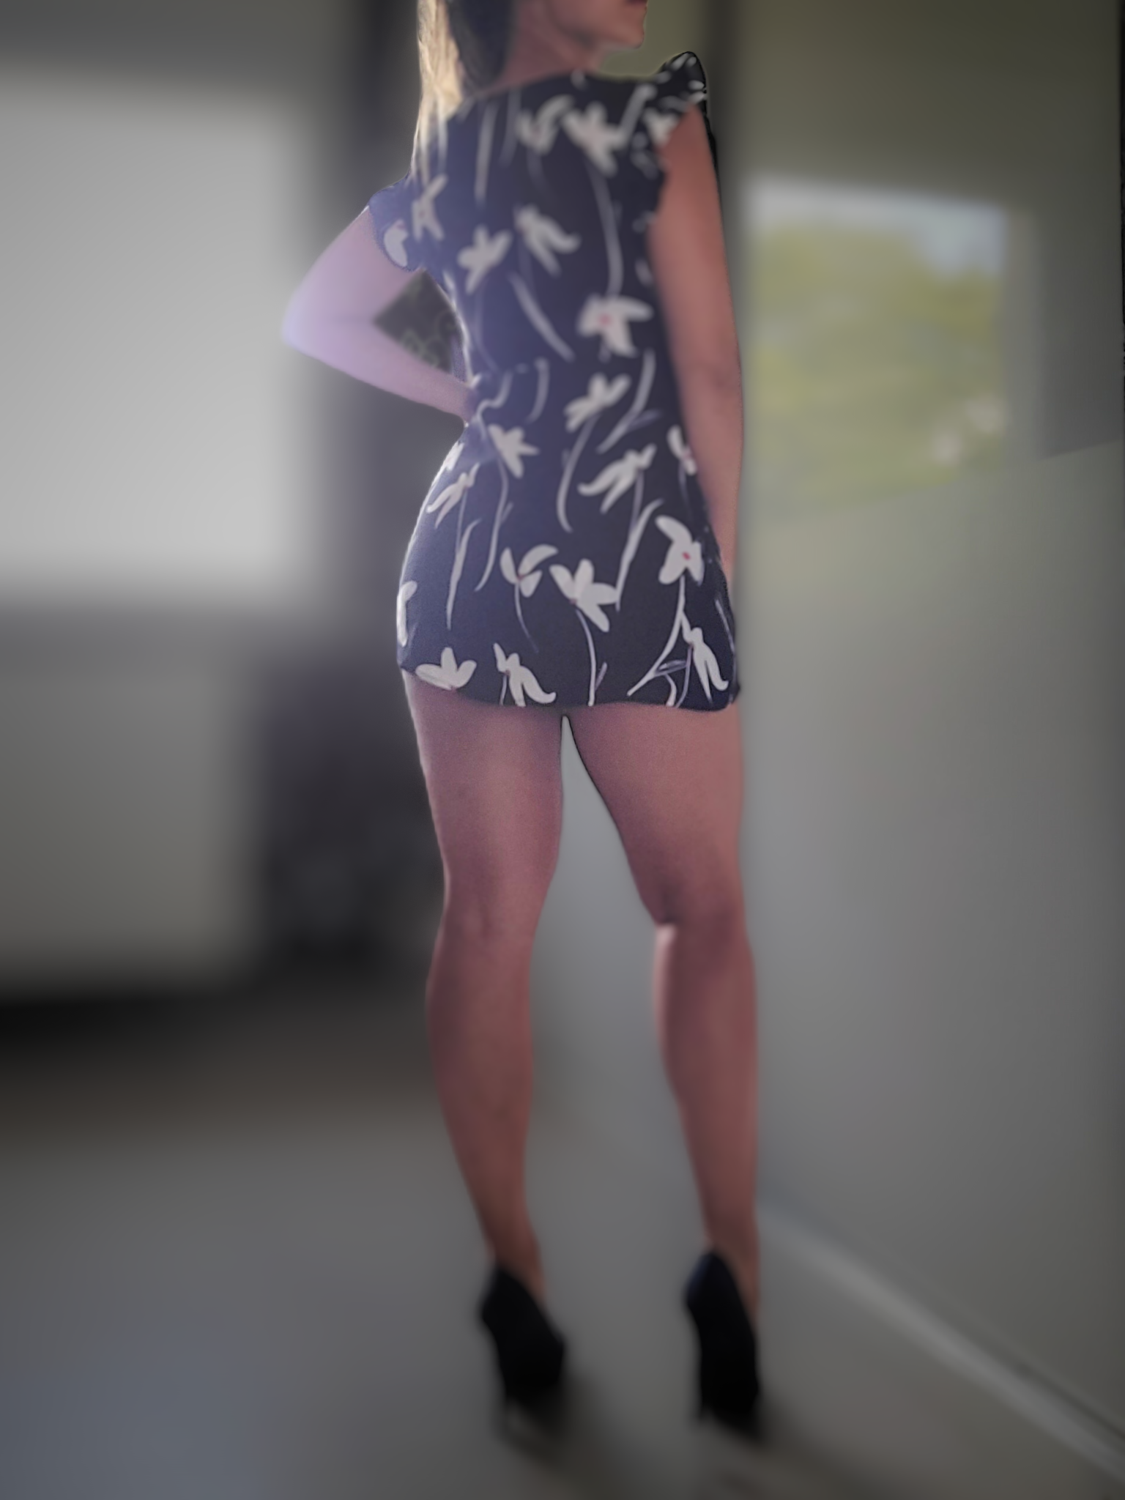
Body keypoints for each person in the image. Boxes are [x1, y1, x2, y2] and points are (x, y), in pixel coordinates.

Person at [283, 0, 759, 1429]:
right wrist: (716, 573)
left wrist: (466, 389)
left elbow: (316, 315)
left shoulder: (447, 166)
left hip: (472, 542)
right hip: (632, 541)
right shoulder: (653, 119)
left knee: (486, 921)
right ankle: (730, 1271)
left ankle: (514, 1275)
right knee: (702, 912)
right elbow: (710, 370)